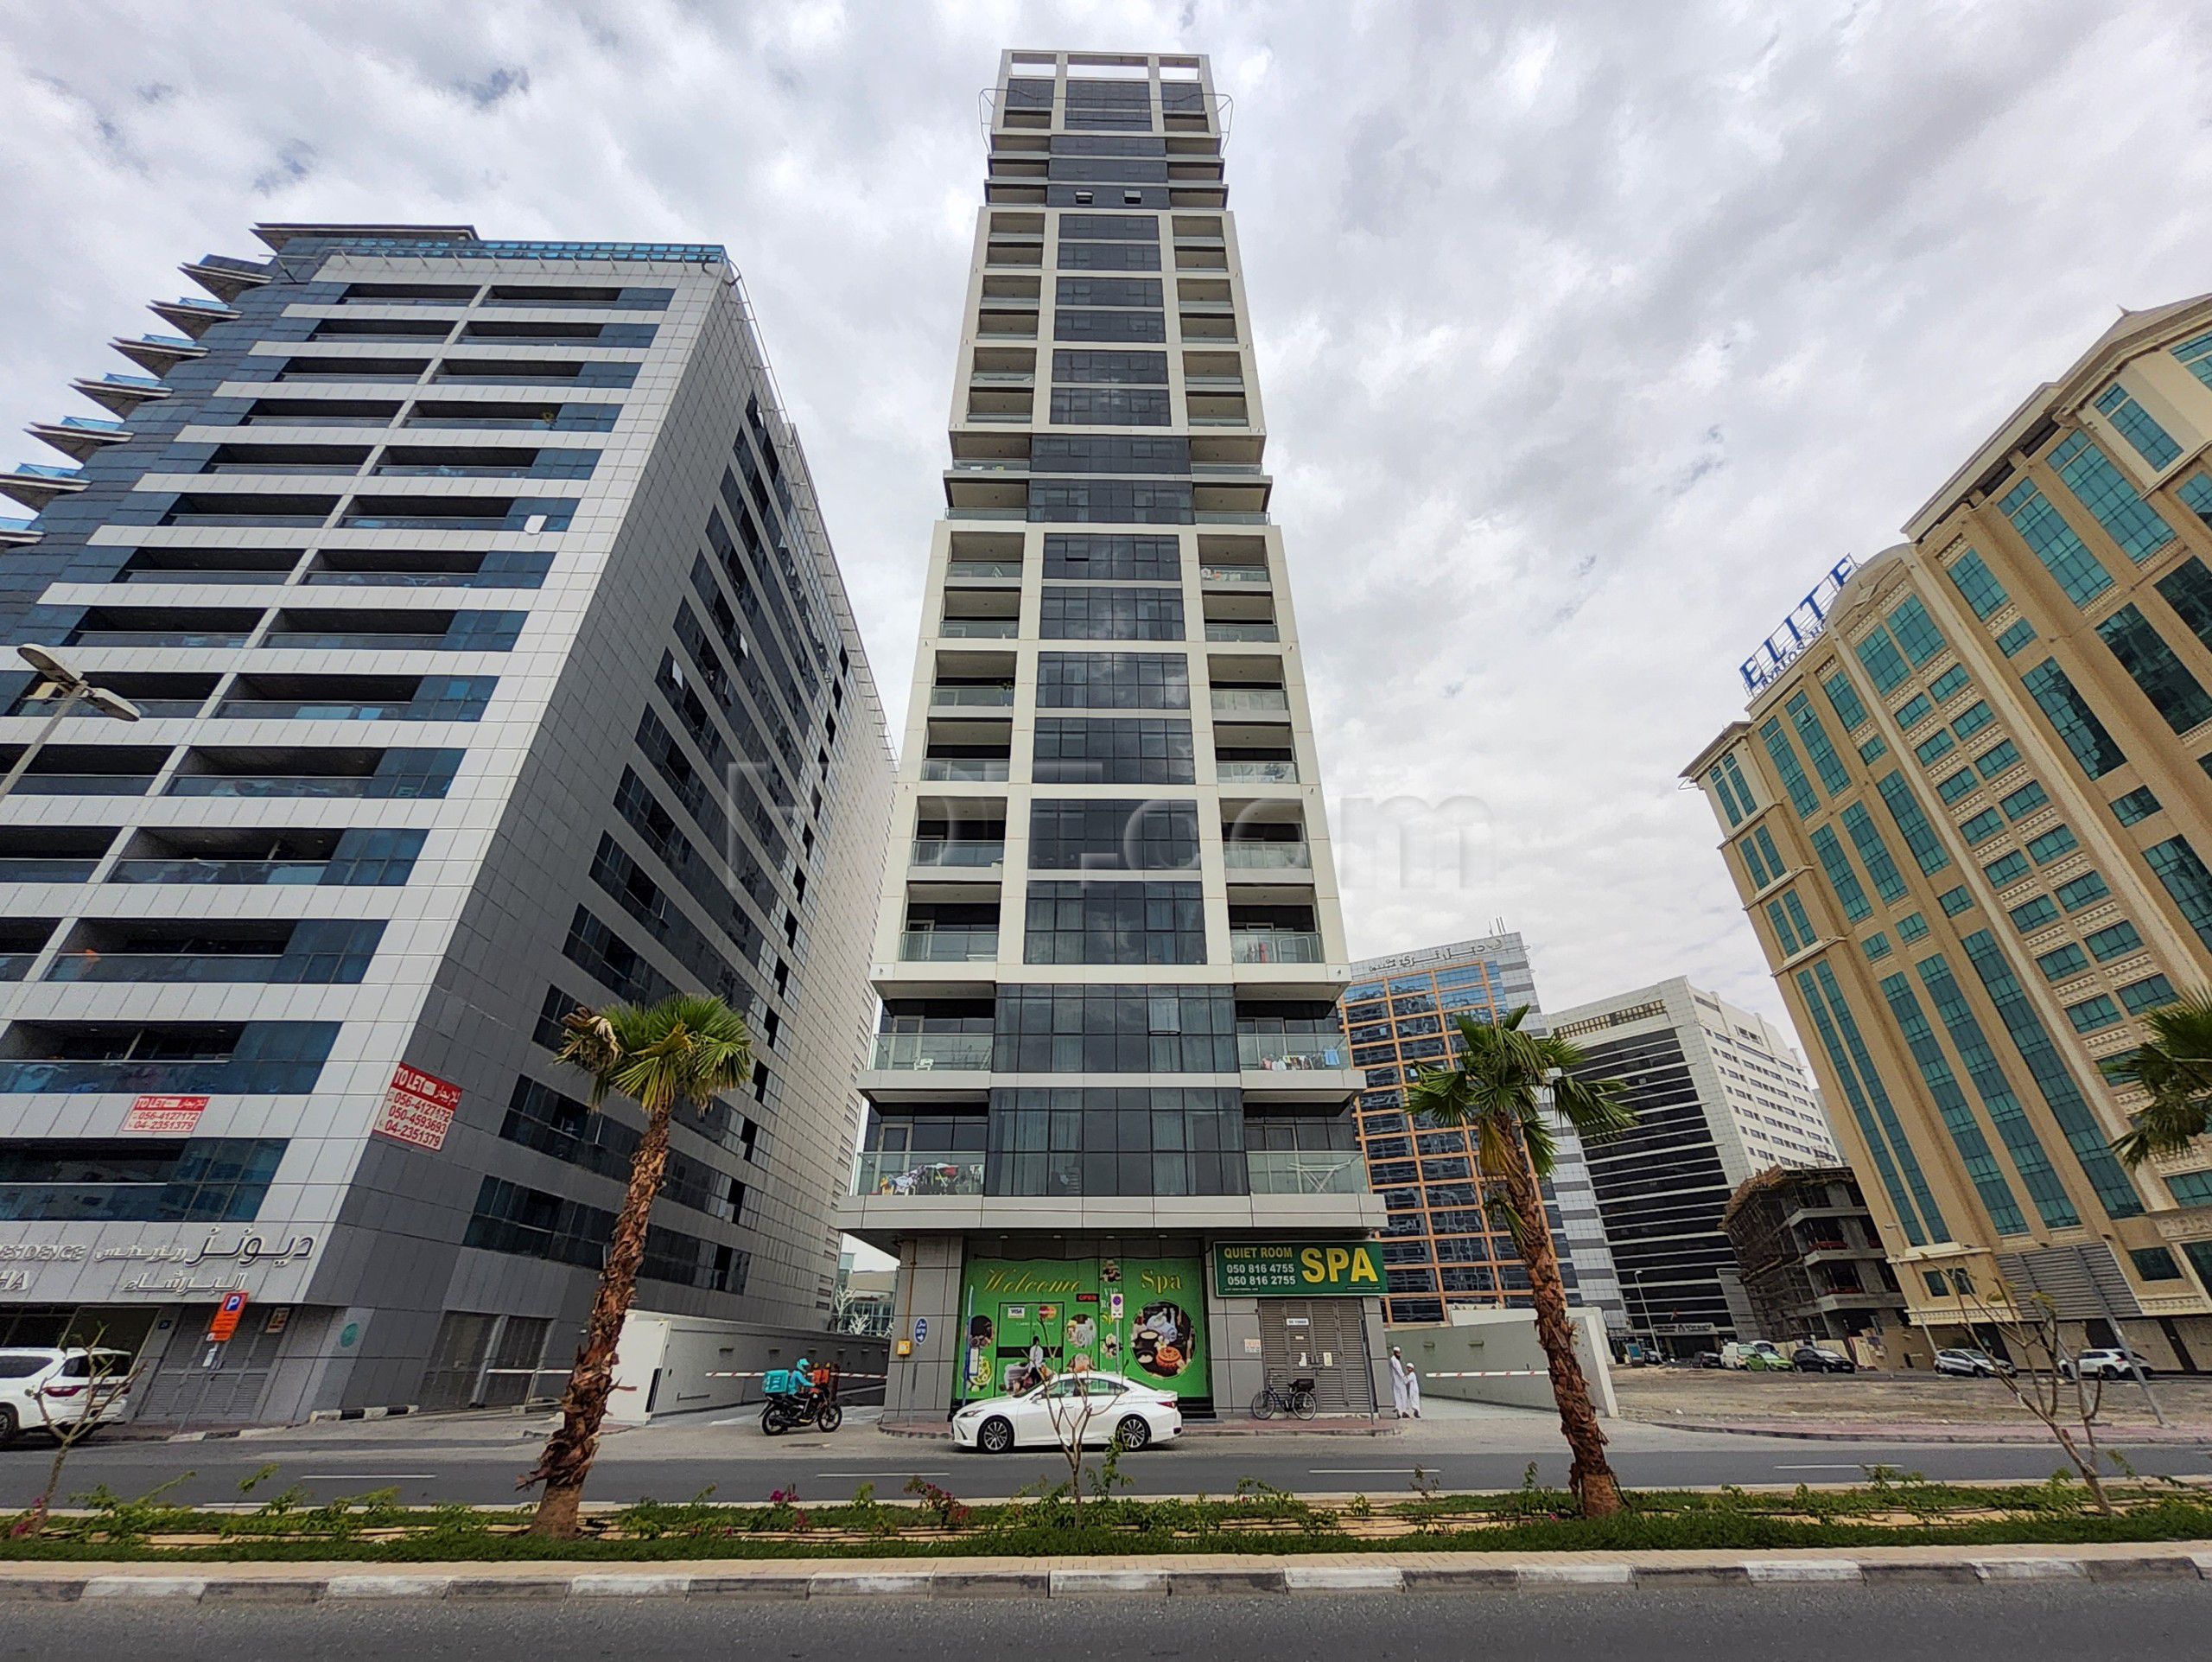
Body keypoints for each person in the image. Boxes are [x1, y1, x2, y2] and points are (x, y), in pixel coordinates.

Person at [1389, 1347, 1421, 1418]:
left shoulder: (1393, 1360)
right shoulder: (1395, 1361)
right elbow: (1399, 1371)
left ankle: (1399, 1409)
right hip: (1400, 1381)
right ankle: (1403, 1411)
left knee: (1397, 1395)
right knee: (1403, 1396)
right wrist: (1404, 1377)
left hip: (1396, 1382)